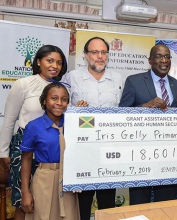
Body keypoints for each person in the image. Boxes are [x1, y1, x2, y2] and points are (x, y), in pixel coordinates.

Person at [0, 45, 68, 220]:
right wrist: (3, 153)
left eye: (59, 62)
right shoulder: (24, 84)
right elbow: (9, 119)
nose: (55, 66)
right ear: (38, 61)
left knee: (44, 199)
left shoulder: (63, 88)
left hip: (50, 149)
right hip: (24, 149)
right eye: (49, 60)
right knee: (24, 199)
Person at [119, 44, 177, 205]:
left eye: (167, 57)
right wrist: (146, 106)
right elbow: (122, 115)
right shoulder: (134, 81)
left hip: (169, 156)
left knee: (166, 205)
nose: (164, 60)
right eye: (159, 56)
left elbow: (173, 118)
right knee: (140, 205)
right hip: (141, 155)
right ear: (150, 60)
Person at [62, 36, 123, 220]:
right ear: (85, 55)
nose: (100, 56)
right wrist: (75, 110)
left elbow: (122, 110)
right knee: (83, 200)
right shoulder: (72, 77)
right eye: (95, 52)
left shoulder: (118, 78)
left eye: (103, 52)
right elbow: (59, 106)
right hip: (82, 149)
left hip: (109, 148)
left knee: (107, 200)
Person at [20, 82, 80, 219]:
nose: (59, 103)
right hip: (44, 180)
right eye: (54, 98)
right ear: (45, 101)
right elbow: (26, 159)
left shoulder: (74, 124)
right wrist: (25, 192)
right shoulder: (34, 126)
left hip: (68, 182)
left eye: (64, 99)